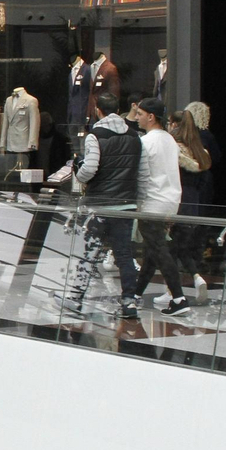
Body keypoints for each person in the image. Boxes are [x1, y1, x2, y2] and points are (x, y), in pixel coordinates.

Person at [66, 93, 142, 320]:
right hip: (126, 204)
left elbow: (89, 169)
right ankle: (129, 301)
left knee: (88, 252)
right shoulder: (134, 135)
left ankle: (76, 297)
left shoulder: (95, 136)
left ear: (97, 110)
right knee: (124, 254)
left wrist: (78, 173)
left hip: (98, 205)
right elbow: (142, 172)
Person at [131, 97, 190, 316]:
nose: (136, 118)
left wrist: (138, 203)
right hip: (171, 200)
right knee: (152, 250)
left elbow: (142, 175)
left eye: (139, 114)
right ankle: (136, 294)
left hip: (152, 201)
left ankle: (179, 297)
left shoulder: (146, 142)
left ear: (150, 116)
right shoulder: (169, 140)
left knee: (157, 248)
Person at [169, 109, 212, 295]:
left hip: (177, 201)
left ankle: (175, 291)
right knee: (180, 246)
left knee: (172, 247)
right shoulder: (200, 152)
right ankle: (195, 278)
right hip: (193, 203)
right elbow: (204, 182)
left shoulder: (174, 149)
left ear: (174, 124)